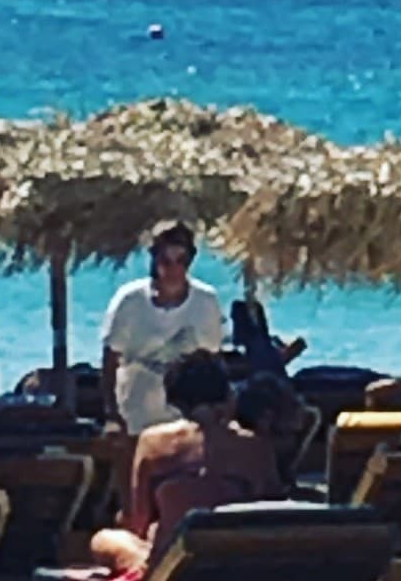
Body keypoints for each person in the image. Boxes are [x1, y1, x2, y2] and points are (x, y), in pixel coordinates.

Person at [90, 351, 282, 579]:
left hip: (172, 563)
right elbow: (270, 511)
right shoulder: (254, 447)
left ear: (175, 400)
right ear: (227, 395)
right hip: (232, 559)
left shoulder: (153, 441)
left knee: (104, 539)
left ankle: (143, 567)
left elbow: (138, 520)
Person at [101, 223, 225, 436]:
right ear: (154, 260)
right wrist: (112, 414)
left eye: (181, 261)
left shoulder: (206, 302)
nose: (173, 269)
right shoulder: (130, 300)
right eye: (166, 261)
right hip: (135, 417)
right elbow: (110, 360)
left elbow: (213, 360)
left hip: (186, 422)